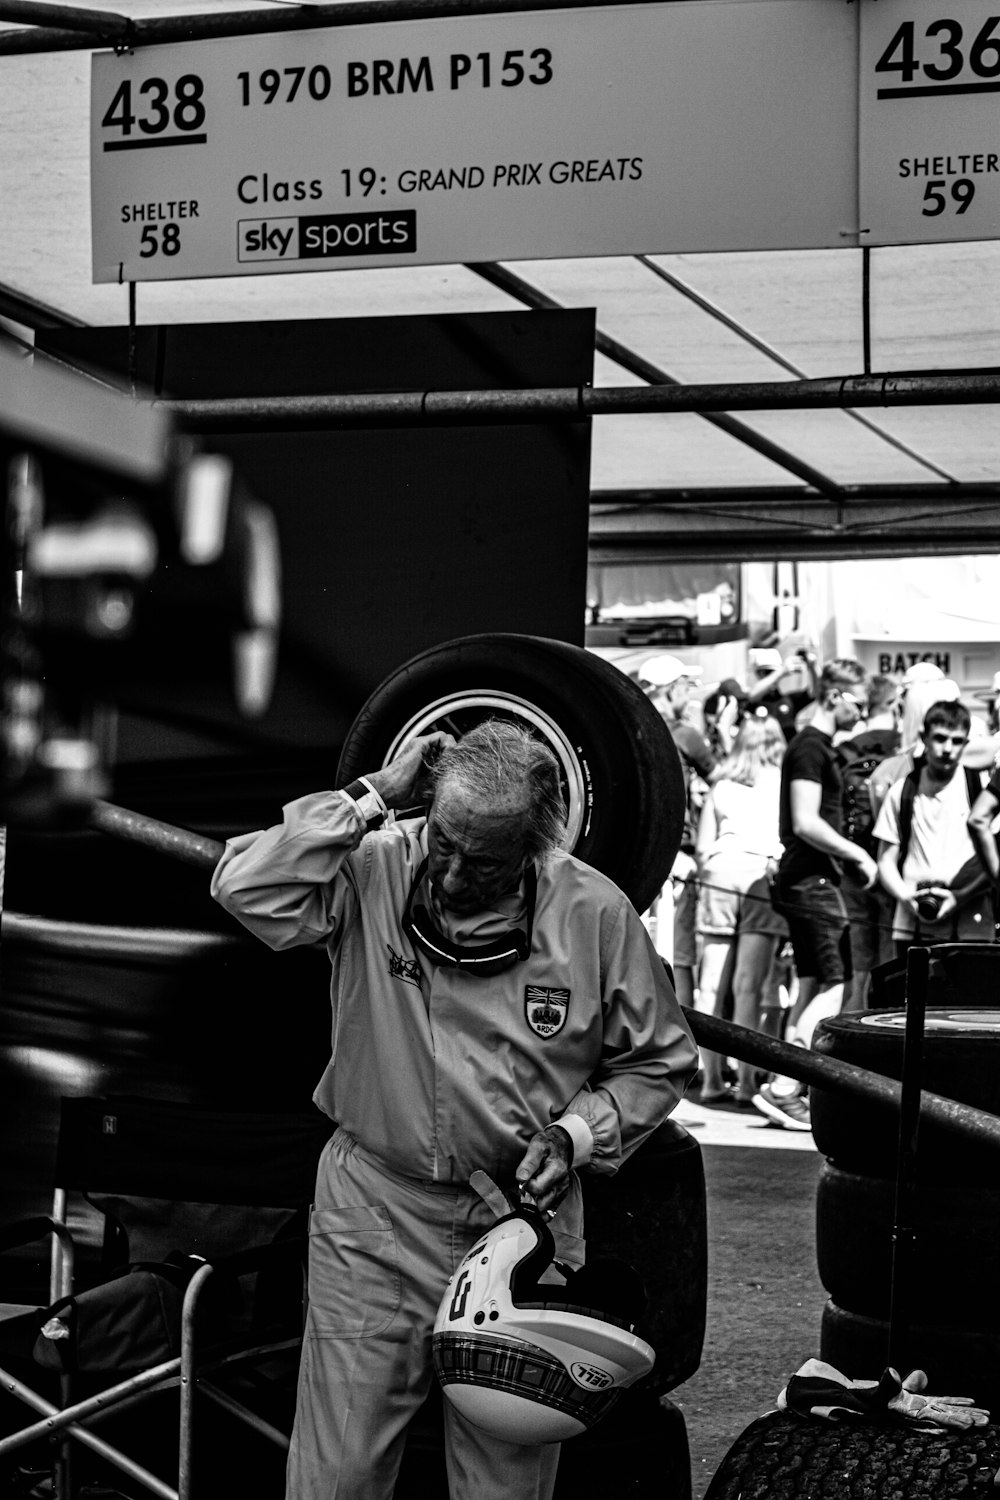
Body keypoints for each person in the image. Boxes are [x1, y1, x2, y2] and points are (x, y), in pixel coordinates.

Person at [210, 720, 698, 1500]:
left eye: (486, 860)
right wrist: (376, 795)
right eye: (444, 841)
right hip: (374, 1214)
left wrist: (574, 1136)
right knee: (335, 1475)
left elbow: (660, 1061)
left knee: (505, 1484)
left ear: (537, 848)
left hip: (519, 1225)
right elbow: (245, 886)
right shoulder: (372, 864)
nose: (454, 871)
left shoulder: (595, 913)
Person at [761, 659, 876, 1131]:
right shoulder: (810, 747)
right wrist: (858, 855)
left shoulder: (817, 746)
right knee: (833, 983)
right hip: (813, 880)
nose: (864, 714)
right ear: (833, 696)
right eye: (859, 704)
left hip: (807, 878)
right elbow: (806, 821)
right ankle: (787, 1089)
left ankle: (780, 1086)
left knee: (812, 982)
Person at [693, 713, 788, 1109]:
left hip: (718, 873)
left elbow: (701, 848)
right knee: (748, 986)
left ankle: (711, 1079)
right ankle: (748, 1083)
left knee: (712, 985)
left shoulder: (722, 786)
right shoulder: (781, 786)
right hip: (758, 877)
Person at [873, 699, 993, 955]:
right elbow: (886, 860)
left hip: (971, 925)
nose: (947, 749)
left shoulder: (981, 790)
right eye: (939, 738)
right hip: (913, 924)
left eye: (957, 740)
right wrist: (906, 897)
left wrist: (960, 896)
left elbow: (994, 861)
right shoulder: (903, 791)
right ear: (923, 738)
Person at [638, 654, 715, 1006]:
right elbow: (726, 780)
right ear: (672, 688)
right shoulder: (684, 734)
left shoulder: (630, 727)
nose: (689, 697)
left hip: (635, 855)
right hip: (675, 856)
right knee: (677, 951)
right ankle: (677, 1025)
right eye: (686, 686)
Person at [838, 673, 901, 1008]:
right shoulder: (899, 745)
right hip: (889, 867)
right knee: (890, 967)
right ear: (893, 704)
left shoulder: (844, 747)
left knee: (859, 970)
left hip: (851, 866)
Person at [746, 645, 819, 743]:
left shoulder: (788, 700)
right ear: (758, 674)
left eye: (773, 672)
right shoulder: (754, 702)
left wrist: (813, 667)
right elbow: (751, 696)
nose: (771, 676)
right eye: (767, 672)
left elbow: (815, 692)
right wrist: (781, 672)